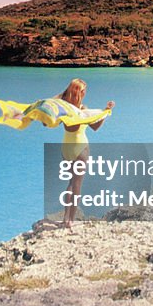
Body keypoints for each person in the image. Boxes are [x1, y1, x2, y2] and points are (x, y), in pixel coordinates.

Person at [59, 78, 114, 229]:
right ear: (80, 92)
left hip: (66, 148)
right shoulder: (83, 110)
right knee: (77, 184)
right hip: (80, 147)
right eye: (84, 90)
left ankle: (65, 218)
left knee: (70, 182)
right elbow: (95, 127)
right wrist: (106, 111)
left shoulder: (63, 108)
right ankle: (71, 220)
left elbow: (48, 121)